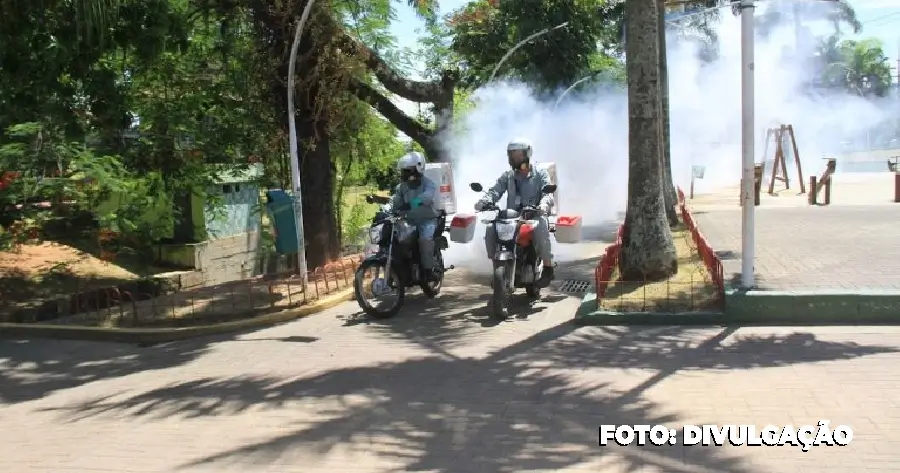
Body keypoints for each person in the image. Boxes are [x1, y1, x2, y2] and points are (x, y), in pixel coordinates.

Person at [475, 137, 555, 287]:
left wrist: (543, 205)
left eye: (518, 154)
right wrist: (484, 201)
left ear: (527, 154)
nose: (515, 158)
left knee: (541, 230)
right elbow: (495, 190)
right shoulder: (508, 176)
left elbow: (547, 193)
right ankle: (498, 265)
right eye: (512, 155)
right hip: (512, 217)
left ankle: (548, 268)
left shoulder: (540, 174)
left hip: (534, 215)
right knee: (491, 229)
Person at [389, 151, 440, 281]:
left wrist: (411, 204)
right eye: (403, 171)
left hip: (427, 220)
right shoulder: (401, 187)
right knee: (397, 239)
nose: (404, 174)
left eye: (408, 170)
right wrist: (386, 209)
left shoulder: (429, 184)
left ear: (418, 168)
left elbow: (427, 198)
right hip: (409, 221)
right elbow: (395, 203)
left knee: (424, 240)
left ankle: (429, 271)